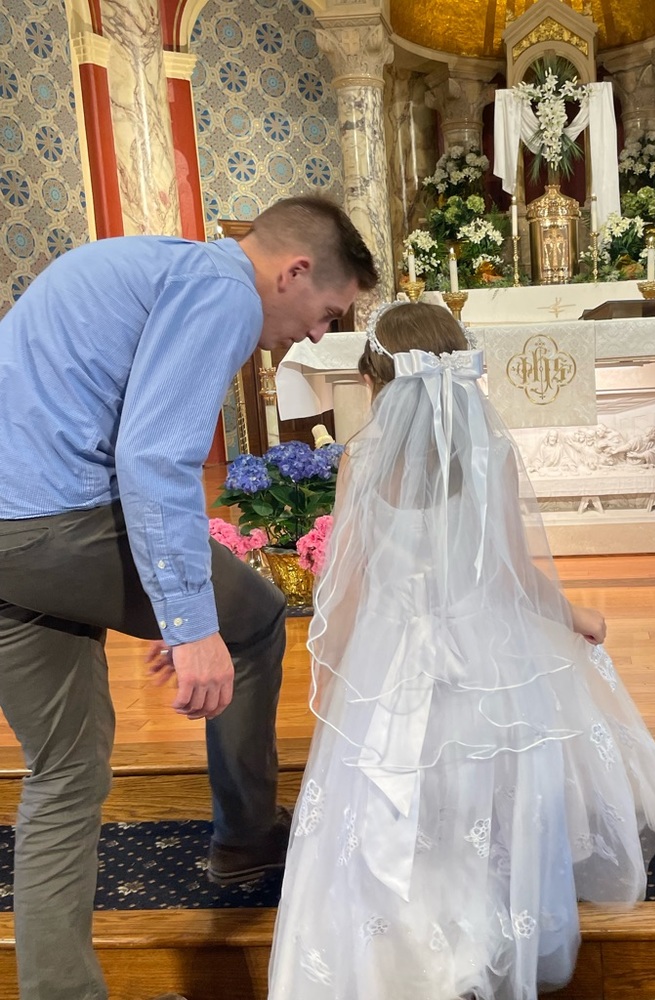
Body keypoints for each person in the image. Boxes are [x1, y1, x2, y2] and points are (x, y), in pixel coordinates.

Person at [0, 195, 379, 1000]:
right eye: (326, 313)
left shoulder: (152, 262)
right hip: (51, 521)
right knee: (255, 617)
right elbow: (154, 459)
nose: (318, 334)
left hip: (8, 536)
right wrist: (189, 621)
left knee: (64, 773)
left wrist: (166, 600)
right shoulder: (223, 288)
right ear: (294, 271)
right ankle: (244, 838)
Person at [268, 301, 655, 1000]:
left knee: (397, 804)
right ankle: (480, 932)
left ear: (377, 384)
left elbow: (346, 594)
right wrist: (575, 614)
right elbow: (514, 575)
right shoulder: (488, 454)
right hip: (485, 662)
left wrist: (339, 681)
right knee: (478, 802)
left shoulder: (362, 461)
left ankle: (404, 949)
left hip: (392, 664)